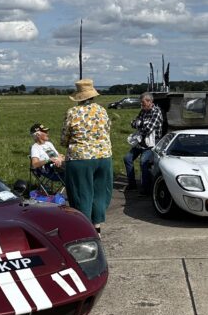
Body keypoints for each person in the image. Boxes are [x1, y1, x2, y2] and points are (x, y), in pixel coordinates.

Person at [61, 79, 113, 235]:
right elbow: (107, 130)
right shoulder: (102, 110)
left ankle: (84, 230)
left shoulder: (73, 112)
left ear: (79, 96)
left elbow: (65, 138)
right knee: (100, 193)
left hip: (80, 158)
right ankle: (97, 229)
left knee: (82, 194)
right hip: (103, 156)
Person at [124, 93, 164, 195]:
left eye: (143, 102)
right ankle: (132, 185)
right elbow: (133, 123)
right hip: (141, 141)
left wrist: (139, 124)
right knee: (127, 158)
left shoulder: (156, 112)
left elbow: (148, 129)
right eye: (141, 103)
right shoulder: (143, 111)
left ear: (150, 102)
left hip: (152, 143)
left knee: (143, 161)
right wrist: (139, 124)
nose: (141, 105)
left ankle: (146, 189)